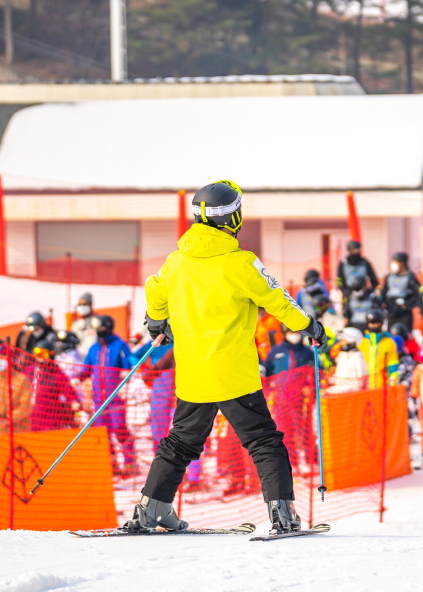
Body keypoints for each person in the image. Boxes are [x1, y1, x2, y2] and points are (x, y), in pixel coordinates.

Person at [134, 180, 328, 534]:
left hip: (193, 374)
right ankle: (282, 514)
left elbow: (154, 288)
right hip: (234, 375)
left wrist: (157, 322)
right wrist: (310, 327)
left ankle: (152, 508)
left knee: (180, 442)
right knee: (263, 441)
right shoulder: (241, 263)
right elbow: (278, 300)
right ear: (233, 218)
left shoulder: (176, 262)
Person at [84, 315, 136, 474]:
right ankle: (111, 466)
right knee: (103, 434)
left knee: (120, 430)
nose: (98, 331)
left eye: (100, 328)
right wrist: (77, 378)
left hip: (116, 398)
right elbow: (86, 368)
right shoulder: (94, 348)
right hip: (99, 400)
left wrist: (125, 378)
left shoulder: (120, 345)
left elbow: (128, 365)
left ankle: (129, 463)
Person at [0, 343, 32, 436]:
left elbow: (26, 407)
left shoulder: (22, 380)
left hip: (17, 432)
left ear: (10, 358)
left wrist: (7, 419)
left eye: (2, 356)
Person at [29, 340, 80, 433]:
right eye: (37, 353)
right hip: (33, 419)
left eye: (42, 354)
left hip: (50, 420)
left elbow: (68, 391)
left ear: (51, 354)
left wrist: (75, 402)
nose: (39, 357)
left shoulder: (56, 373)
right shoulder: (31, 370)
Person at [380, 252, 422, 332]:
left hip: (404, 312)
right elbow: (384, 292)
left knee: (404, 333)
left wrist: (406, 304)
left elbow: (417, 294)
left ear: (402, 263)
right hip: (391, 310)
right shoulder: (389, 276)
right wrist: (383, 303)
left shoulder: (410, 277)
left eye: (396, 262)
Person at [357, 310, 400, 388]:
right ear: (367, 324)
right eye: (372, 323)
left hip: (382, 385)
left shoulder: (389, 342)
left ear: (381, 323)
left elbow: (393, 364)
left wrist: (392, 382)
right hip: (364, 384)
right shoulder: (362, 342)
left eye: (377, 323)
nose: (375, 325)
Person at [336, 240, 379, 313]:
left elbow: (374, 279)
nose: (357, 251)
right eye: (355, 249)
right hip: (349, 293)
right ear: (350, 250)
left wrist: (370, 291)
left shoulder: (365, 263)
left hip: (364, 293)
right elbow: (339, 280)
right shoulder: (343, 264)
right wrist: (346, 291)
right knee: (348, 313)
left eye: (358, 249)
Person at [329, 327, 368, 393]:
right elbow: (340, 378)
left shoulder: (357, 359)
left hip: (351, 396)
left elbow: (361, 383)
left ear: (352, 341)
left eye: (343, 341)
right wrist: (332, 378)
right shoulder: (341, 357)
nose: (340, 344)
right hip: (339, 395)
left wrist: (344, 389)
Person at [71, 293, 99, 358]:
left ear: (90, 305)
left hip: (93, 357)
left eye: (85, 304)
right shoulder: (76, 323)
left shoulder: (97, 321)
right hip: (79, 357)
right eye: (80, 305)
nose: (82, 307)